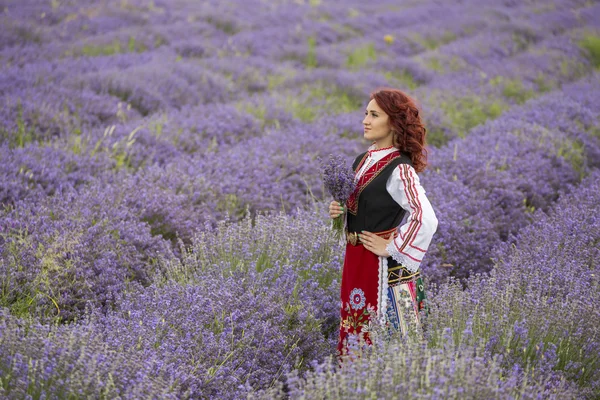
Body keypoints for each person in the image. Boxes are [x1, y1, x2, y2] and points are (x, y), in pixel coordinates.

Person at [328, 88, 438, 357]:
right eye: (365, 113)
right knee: (356, 328)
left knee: (387, 339)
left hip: (382, 268)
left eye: (374, 115)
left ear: (393, 122)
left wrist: (393, 247)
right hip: (356, 260)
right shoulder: (362, 160)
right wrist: (340, 211)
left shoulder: (399, 168)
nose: (365, 120)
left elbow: (426, 217)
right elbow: (365, 206)